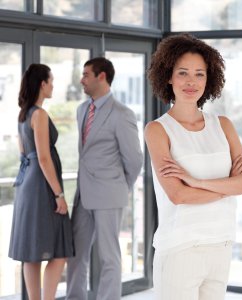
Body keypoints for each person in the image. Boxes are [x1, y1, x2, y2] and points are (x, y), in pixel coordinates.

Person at [144, 33, 242, 300]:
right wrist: (230, 185)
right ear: (169, 76)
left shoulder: (224, 125)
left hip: (221, 243)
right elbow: (178, 195)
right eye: (183, 73)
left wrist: (197, 182)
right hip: (180, 249)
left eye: (199, 74)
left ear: (209, 80)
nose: (191, 82)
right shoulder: (158, 130)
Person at [66, 57, 143, 300]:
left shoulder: (122, 114)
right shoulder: (81, 110)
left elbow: (134, 159)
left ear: (102, 76)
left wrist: (121, 187)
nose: (82, 80)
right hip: (83, 196)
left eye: (86, 74)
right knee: (76, 254)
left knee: (109, 257)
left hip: (109, 195)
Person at [9, 64, 74, 300]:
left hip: (27, 182)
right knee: (59, 250)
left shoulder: (23, 114)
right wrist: (59, 195)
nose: (53, 85)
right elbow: (44, 157)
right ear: (42, 84)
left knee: (31, 251)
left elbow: (24, 152)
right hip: (41, 186)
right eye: (51, 80)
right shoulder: (39, 114)